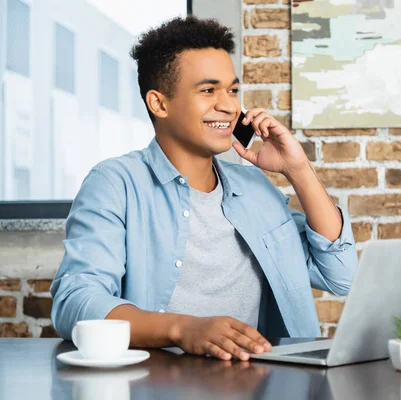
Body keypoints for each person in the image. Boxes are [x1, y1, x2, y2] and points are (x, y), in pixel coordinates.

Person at [50, 16, 358, 361]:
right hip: (157, 383)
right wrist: (183, 329)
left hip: (265, 382)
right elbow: (76, 302)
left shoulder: (255, 188)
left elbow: (342, 276)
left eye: (233, 90)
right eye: (209, 90)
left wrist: (297, 169)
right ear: (159, 103)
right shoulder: (115, 184)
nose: (228, 105)